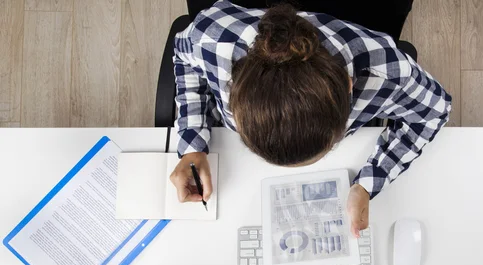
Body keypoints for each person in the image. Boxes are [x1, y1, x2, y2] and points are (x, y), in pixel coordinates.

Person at [170, 0, 452, 237]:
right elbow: (183, 58)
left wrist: (367, 184)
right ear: (235, 90)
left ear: (348, 84)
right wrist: (192, 146)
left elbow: (434, 111)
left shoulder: (388, 71)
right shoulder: (210, 37)